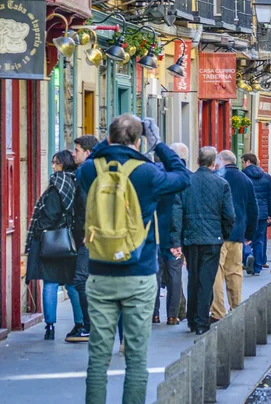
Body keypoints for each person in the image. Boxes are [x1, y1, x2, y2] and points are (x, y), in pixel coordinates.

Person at [78, 114, 190, 404]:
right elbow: (182, 177)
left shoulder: (89, 170)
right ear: (139, 141)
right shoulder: (147, 172)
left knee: (97, 360)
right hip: (139, 273)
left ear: (109, 138)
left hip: (100, 271)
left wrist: (106, 146)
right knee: (137, 360)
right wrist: (160, 145)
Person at [170, 146, 235, 335]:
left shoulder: (186, 182)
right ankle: (201, 321)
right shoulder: (221, 184)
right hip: (212, 238)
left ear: (197, 161)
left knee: (193, 277)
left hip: (191, 237)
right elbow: (229, 215)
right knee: (207, 280)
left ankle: (192, 319)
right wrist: (224, 233)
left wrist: (177, 238)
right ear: (214, 163)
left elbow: (177, 212)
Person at [25, 150, 80, 341]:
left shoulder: (57, 185)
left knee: (50, 283)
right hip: (71, 241)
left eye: (55, 163)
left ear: (62, 165)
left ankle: (50, 326)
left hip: (54, 243)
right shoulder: (76, 182)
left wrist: (39, 233)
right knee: (73, 285)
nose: (53, 166)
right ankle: (80, 322)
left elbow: (49, 215)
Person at [210, 151, 258, 320]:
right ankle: (236, 307)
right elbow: (253, 208)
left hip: (217, 232)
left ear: (221, 160)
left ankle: (218, 312)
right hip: (238, 233)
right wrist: (249, 233)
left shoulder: (216, 176)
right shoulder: (245, 179)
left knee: (216, 272)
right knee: (235, 271)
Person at [153, 143, 192, 326]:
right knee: (175, 275)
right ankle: (172, 315)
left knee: (156, 274)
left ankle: (153, 314)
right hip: (174, 235)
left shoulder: (153, 176)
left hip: (154, 234)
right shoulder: (181, 179)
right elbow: (180, 211)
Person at [66, 135, 99, 343]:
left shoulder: (86, 172)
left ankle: (89, 325)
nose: (73, 153)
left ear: (87, 153)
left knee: (81, 279)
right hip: (91, 233)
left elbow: (88, 202)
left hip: (89, 236)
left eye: (76, 150)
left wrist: (88, 231)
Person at [241, 153, 271, 275]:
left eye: (243, 162)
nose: (242, 165)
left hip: (247, 213)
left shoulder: (243, 176)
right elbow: (270, 196)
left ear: (248, 162)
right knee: (260, 239)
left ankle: (248, 255)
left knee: (244, 238)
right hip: (262, 213)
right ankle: (257, 267)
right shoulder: (266, 177)